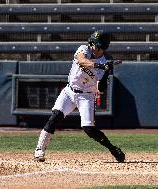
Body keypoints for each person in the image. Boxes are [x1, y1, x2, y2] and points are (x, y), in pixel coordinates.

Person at [34, 30, 125, 163]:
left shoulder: (104, 62)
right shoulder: (84, 49)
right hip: (69, 91)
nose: (92, 45)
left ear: (102, 47)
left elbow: (101, 89)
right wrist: (99, 65)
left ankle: (113, 149)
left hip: (86, 96)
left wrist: (106, 72)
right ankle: (39, 150)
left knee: (89, 129)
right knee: (55, 116)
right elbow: (82, 61)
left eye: (95, 44)